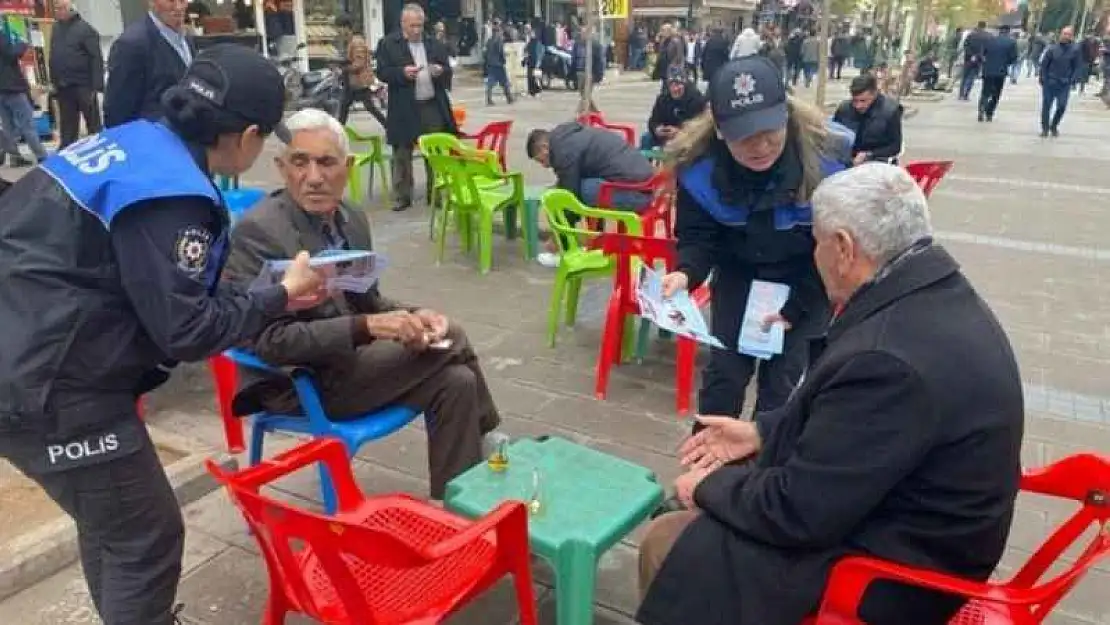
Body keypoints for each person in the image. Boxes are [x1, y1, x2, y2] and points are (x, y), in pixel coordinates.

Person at [0, 44, 327, 625]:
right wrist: (279, 294)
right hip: (51, 385)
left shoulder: (134, 142)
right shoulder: (172, 191)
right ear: (247, 134)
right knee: (145, 538)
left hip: (30, 352)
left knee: (113, 526)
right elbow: (187, 330)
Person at [636, 163, 1024, 625]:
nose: (814, 252)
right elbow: (854, 425)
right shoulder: (931, 289)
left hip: (899, 570)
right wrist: (762, 430)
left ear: (842, 247)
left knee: (667, 543)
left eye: (816, 240)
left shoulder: (887, 361)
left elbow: (799, 510)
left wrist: (709, 487)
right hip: (916, 519)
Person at [222, 109, 505, 500]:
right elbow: (270, 343)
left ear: (348, 166)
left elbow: (368, 299)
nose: (314, 177)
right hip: (297, 380)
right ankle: (492, 439)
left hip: (351, 362)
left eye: (326, 162)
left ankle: (460, 506)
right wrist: (368, 327)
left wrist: (410, 314)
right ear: (282, 168)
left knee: (457, 381)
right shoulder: (258, 232)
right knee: (452, 336)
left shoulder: (350, 217)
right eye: (300, 163)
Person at [658, 56, 851, 441]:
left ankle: (765, 477)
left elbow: (836, 252)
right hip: (740, 279)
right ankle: (705, 469)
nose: (760, 146)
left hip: (807, 282)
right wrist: (685, 272)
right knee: (723, 380)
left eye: (769, 131)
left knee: (782, 390)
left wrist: (795, 310)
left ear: (786, 116)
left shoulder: (828, 163)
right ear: (720, 129)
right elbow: (698, 238)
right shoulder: (700, 170)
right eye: (744, 136)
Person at [375, 3, 457, 212]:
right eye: (412, 26)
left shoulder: (433, 44)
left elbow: (448, 69)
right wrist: (402, 73)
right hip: (404, 106)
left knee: (436, 151)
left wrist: (441, 70)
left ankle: (436, 192)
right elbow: (382, 72)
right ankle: (403, 196)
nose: (417, 30)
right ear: (403, 24)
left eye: (420, 26)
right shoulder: (388, 44)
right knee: (402, 152)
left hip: (431, 104)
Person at [105, 0, 195, 128]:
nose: (178, 7)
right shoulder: (132, 44)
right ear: (151, 2)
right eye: (170, 1)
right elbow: (117, 110)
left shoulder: (186, 38)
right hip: (154, 138)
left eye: (182, 0)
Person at [48, 0, 104, 149]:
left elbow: (96, 58)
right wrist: (53, 81)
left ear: (71, 9)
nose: (58, 11)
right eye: (56, 9)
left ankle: (100, 147)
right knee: (68, 125)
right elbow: (53, 55)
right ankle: (67, 150)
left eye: (61, 8)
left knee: (93, 122)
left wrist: (96, 85)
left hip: (83, 85)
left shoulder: (85, 29)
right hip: (63, 85)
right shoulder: (56, 28)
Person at [0, 24, 49, 165]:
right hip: (12, 88)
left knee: (8, 125)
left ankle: (14, 157)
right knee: (27, 123)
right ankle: (41, 155)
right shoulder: (1, 36)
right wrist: (23, 43)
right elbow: (11, 54)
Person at [833, 73, 903, 164]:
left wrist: (869, 155)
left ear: (874, 94)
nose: (858, 106)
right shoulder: (844, 109)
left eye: (863, 101)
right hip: (847, 159)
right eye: (855, 100)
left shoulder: (890, 111)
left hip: (878, 162)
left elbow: (895, 147)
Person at [643, 70, 707, 150]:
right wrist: (657, 129)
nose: (674, 89)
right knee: (646, 138)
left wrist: (679, 131)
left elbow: (701, 127)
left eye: (678, 84)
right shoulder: (663, 99)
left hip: (689, 137)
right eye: (671, 85)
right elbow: (653, 120)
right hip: (666, 136)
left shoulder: (696, 100)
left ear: (684, 84)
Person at [1039, 25, 1083, 137]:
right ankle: (1045, 128)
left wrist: (1073, 80)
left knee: (1062, 106)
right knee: (1046, 105)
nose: (1065, 36)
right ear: (1060, 34)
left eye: (1068, 34)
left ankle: (1054, 125)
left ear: (1072, 36)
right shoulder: (1052, 49)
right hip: (1050, 82)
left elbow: (1077, 67)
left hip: (1064, 83)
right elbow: (1044, 65)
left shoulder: (1075, 50)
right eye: (1064, 33)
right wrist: (1043, 78)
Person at [338, 34, 388, 128]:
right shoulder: (354, 42)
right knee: (346, 106)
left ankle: (388, 126)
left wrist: (346, 68)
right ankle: (388, 126)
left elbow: (359, 64)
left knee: (348, 106)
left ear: (346, 28)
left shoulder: (357, 43)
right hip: (355, 82)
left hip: (358, 81)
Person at [978, 25, 1018, 122]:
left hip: (988, 70)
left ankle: (982, 108)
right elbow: (1013, 58)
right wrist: (1006, 62)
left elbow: (982, 54)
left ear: (999, 31)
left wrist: (985, 62)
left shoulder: (989, 40)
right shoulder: (1011, 42)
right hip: (1000, 71)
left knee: (985, 91)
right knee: (996, 93)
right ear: (1008, 32)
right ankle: (989, 112)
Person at [483, 19, 513, 105]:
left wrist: (488, 61)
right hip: (498, 64)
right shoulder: (499, 39)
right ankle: (509, 98)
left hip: (491, 64)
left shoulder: (490, 40)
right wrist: (503, 60)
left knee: (491, 82)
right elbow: (501, 51)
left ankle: (489, 99)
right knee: (504, 81)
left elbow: (486, 53)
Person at [957, 20, 989, 100]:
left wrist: (971, 55)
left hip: (968, 58)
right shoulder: (987, 36)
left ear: (978, 25)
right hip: (979, 59)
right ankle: (966, 94)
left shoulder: (971, 35)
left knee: (964, 77)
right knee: (972, 77)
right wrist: (982, 56)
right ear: (985, 26)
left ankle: (961, 94)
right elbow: (987, 48)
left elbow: (965, 45)